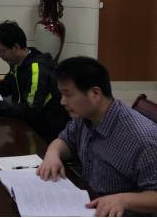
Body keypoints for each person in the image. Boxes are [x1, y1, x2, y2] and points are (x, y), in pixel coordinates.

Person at [38, 57, 157, 217]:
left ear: (95, 94)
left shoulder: (143, 139)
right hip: (86, 203)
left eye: (68, 94)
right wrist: (53, 154)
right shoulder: (84, 117)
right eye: (61, 94)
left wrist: (123, 200)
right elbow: (65, 140)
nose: (62, 102)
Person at [0, 20, 69, 143]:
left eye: (2, 50)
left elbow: (30, 110)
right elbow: (7, 86)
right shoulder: (19, 63)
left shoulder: (37, 70)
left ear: (16, 47)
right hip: (25, 125)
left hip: (43, 135)